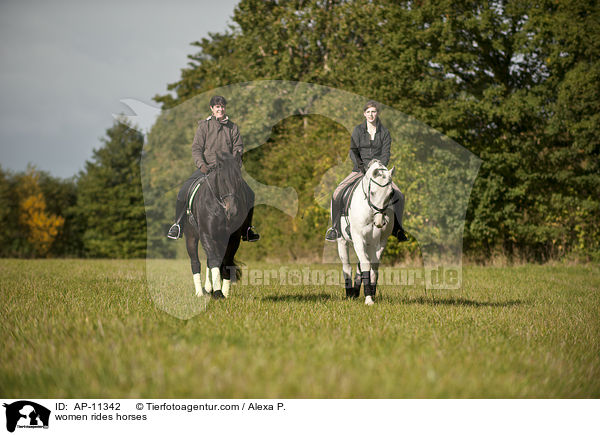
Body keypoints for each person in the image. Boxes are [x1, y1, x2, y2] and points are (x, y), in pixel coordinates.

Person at [167, 95, 260, 242]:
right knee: (183, 191)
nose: (220, 109)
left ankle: (247, 229)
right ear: (212, 109)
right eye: (217, 107)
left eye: (222, 106)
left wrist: (234, 165)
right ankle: (177, 225)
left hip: (227, 171)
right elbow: (196, 149)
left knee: (250, 193)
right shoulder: (204, 126)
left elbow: (239, 148)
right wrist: (202, 165)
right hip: (207, 168)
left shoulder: (233, 127)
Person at [325, 100, 408, 242]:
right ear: (364, 114)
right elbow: (353, 151)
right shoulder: (358, 130)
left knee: (399, 195)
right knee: (337, 193)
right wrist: (363, 167)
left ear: (377, 113)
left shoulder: (385, 132)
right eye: (368, 112)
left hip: (378, 172)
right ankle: (335, 228)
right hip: (359, 170)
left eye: (373, 112)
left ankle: (398, 229)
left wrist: (378, 167)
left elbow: (386, 153)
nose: (371, 114)